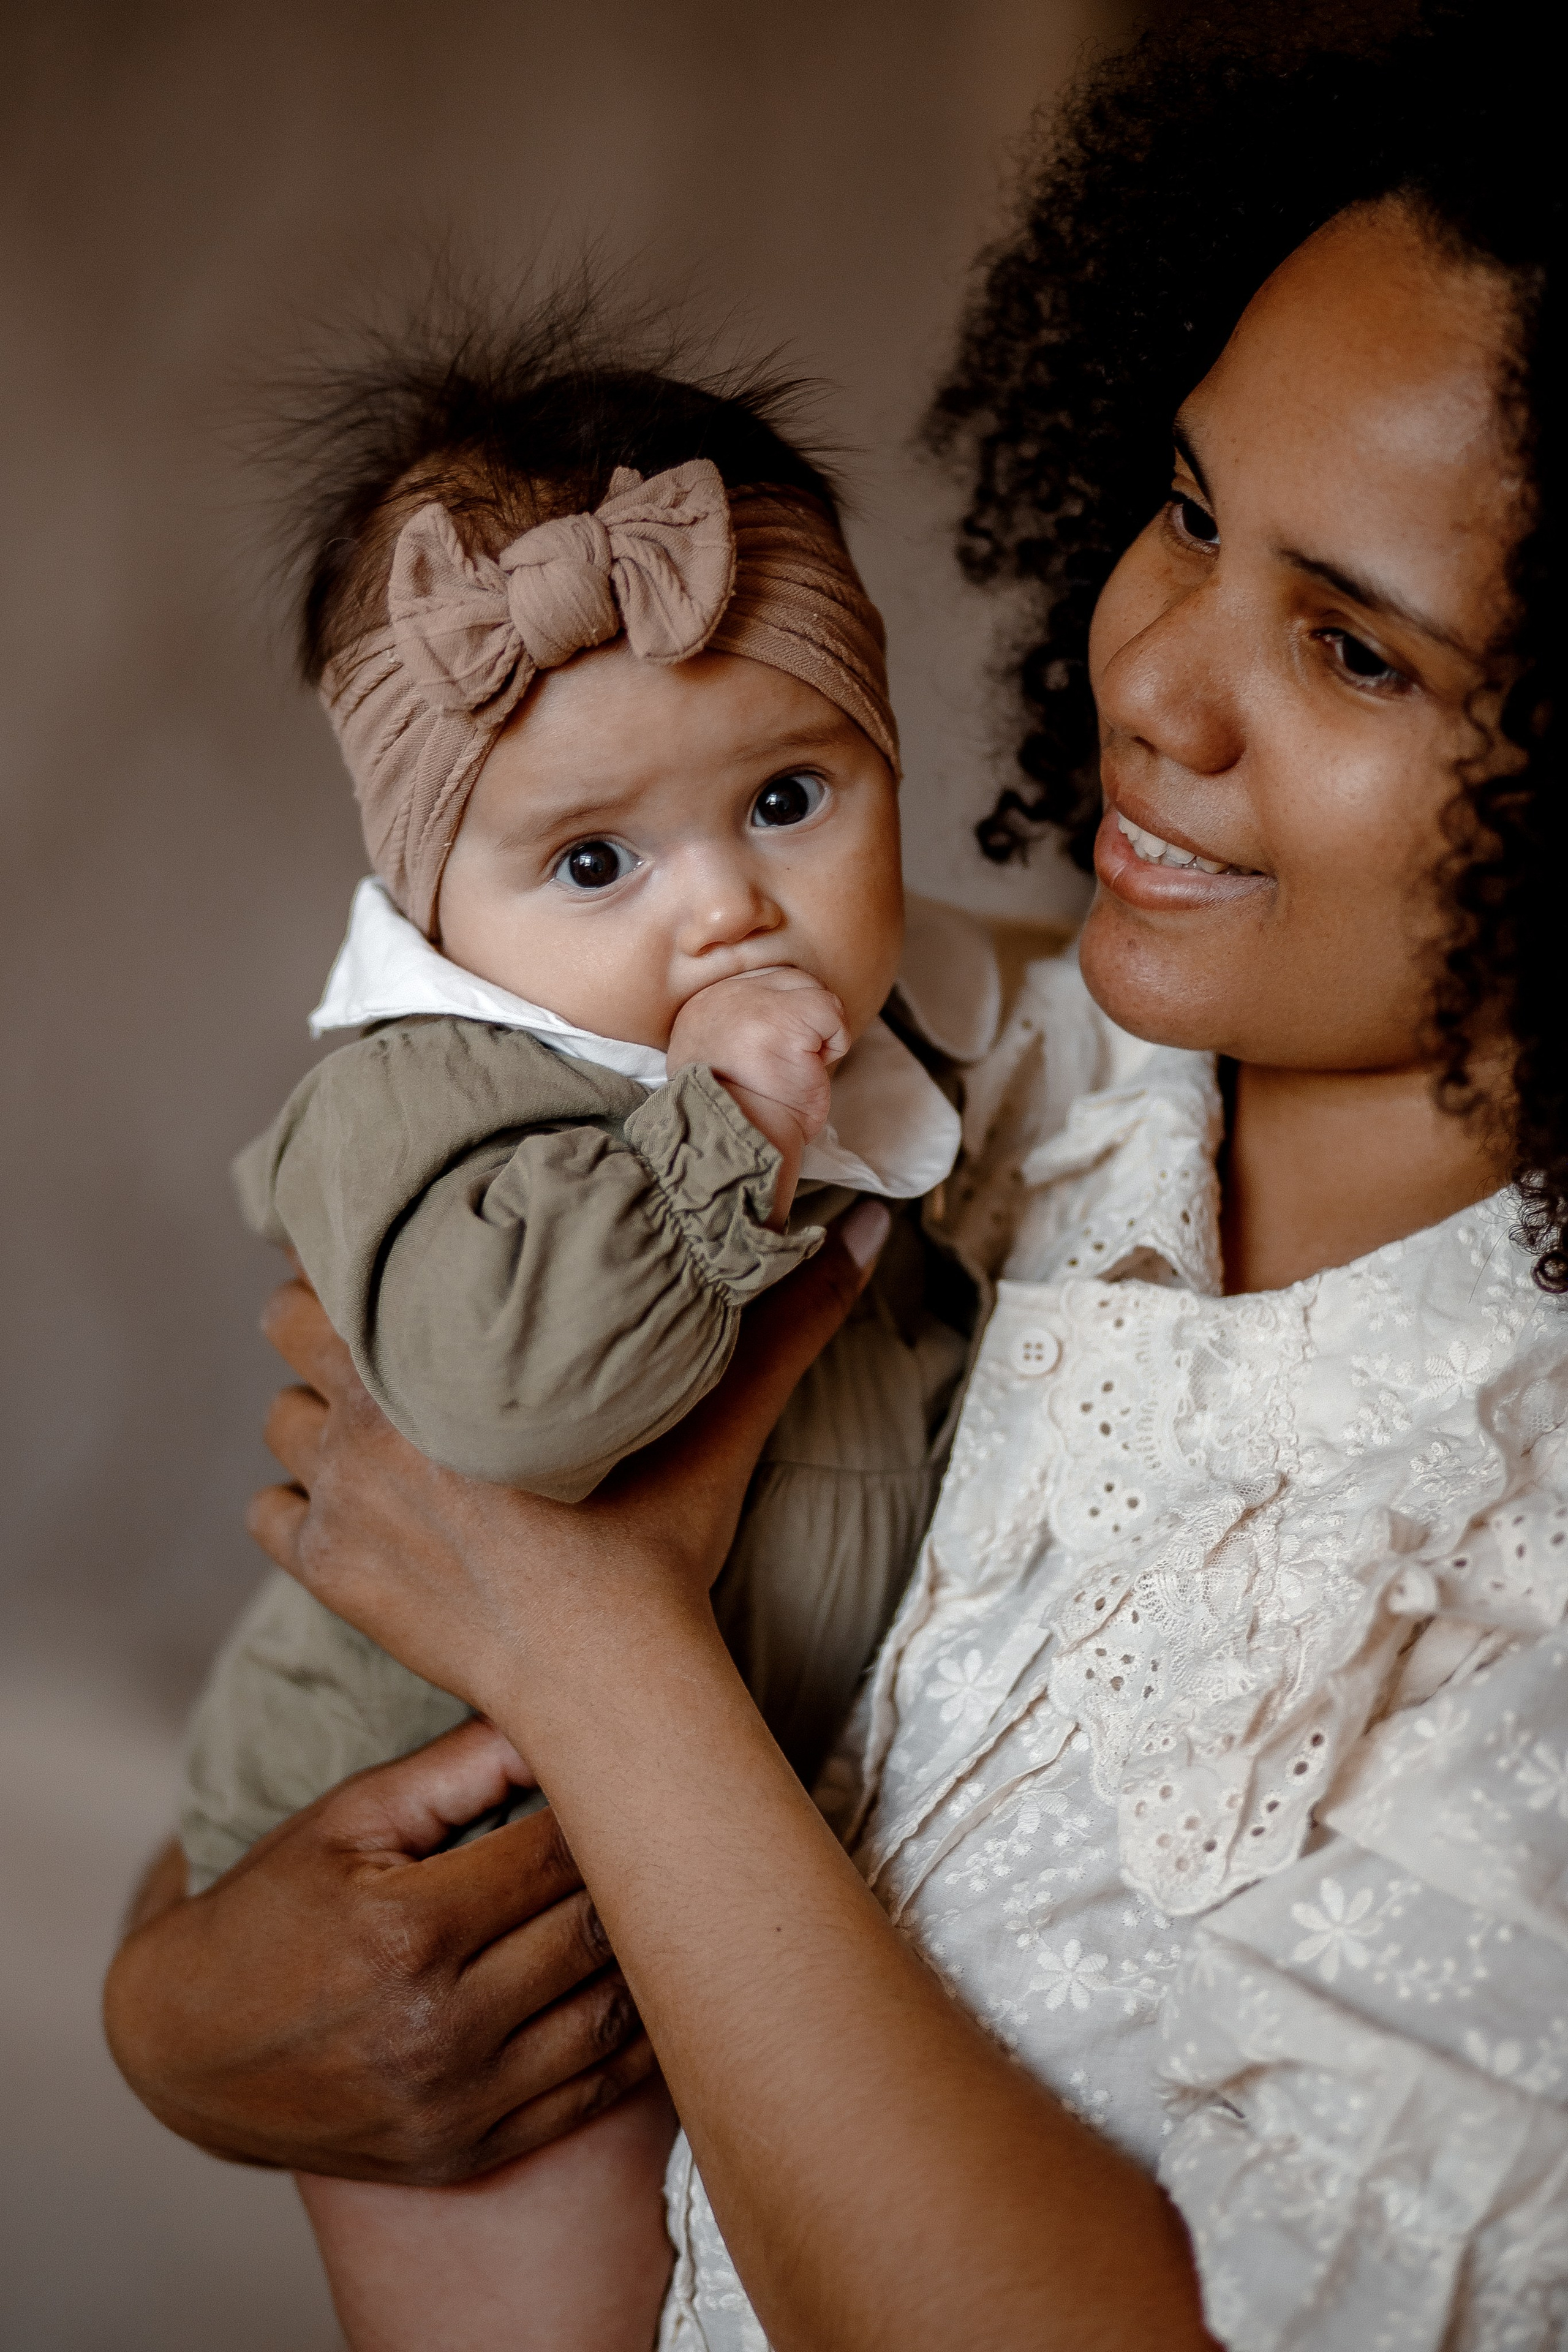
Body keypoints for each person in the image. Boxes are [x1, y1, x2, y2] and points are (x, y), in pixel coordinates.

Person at [105, 6, 1568, 2345]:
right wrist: (176, 2016)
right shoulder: (985, 1056)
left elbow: (505, 1581)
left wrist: (591, 1639)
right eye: (1189, 513)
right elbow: (363, 1593)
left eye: (1357, 653)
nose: (1152, 682)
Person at [178, 343, 998, 2344]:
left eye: (791, 800)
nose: (726, 909)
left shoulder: (940, 1022)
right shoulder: (427, 1096)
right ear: (433, 900)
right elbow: (508, 1406)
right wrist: (724, 1131)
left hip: (698, 1852)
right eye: (597, 863)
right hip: (440, 1880)